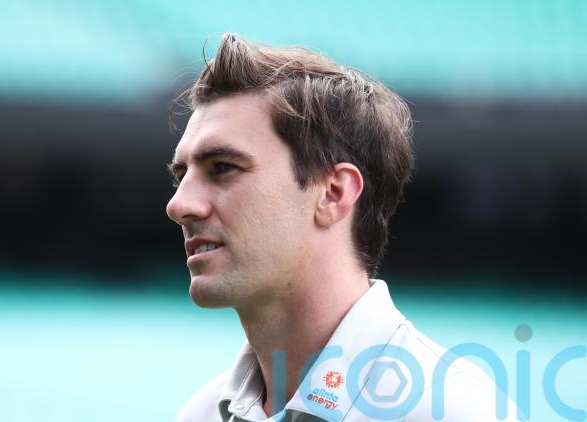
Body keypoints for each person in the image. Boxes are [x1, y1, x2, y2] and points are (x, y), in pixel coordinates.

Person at [166, 33, 518, 421]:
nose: (179, 205)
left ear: (334, 193)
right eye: (181, 176)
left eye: (223, 168)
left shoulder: (454, 411)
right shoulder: (199, 414)